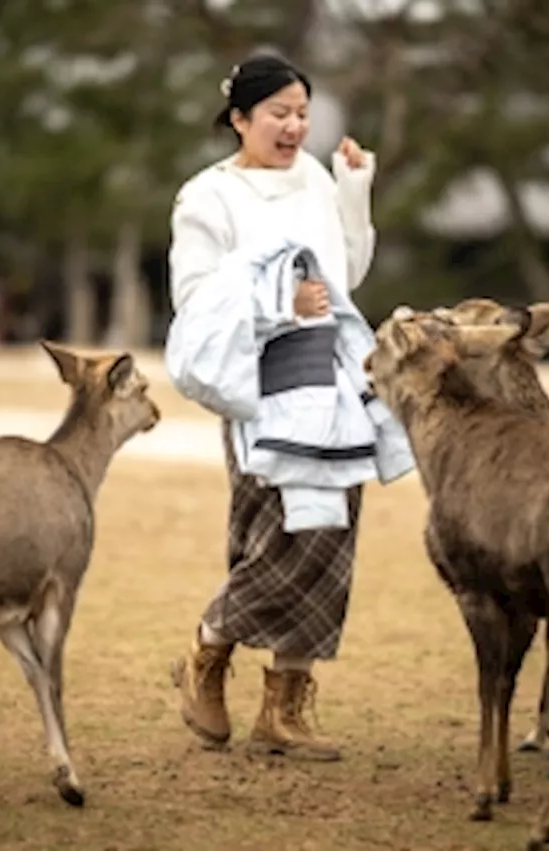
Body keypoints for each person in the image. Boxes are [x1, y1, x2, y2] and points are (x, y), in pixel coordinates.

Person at [165, 53, 414, 761]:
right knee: (272, 531)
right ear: (239, 119)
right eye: (278, 112)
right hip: (259, 379)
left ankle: (285, 703)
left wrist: (354, 191)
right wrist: (279, 303)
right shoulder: (205, 198)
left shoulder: (314, 178)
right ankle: (208, 649)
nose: (294, 126)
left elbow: (348, 275)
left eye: (302, 111)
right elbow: (195, 302)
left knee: (333, 528)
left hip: (331, 375)